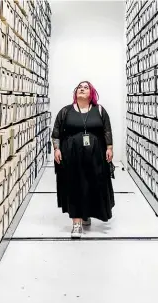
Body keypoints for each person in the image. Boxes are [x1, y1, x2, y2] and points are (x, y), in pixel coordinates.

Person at [51, 81, 116, 238]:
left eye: (86, 87)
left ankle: (86, 214)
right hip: (71, 155)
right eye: (79, 87)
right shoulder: (65, 111)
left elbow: (107, 129)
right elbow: (56, 131)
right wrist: (56, 149)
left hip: (96, 155)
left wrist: (109, 148)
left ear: (91, 93)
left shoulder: (99, 110)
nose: (82, 89)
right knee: (74, 186)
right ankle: (77, 223)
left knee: (93, 184)